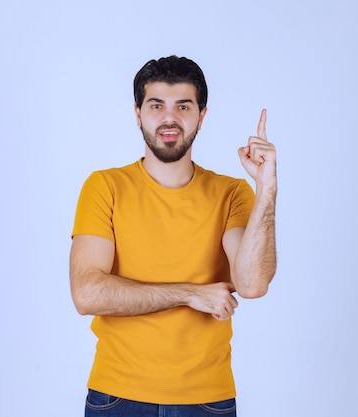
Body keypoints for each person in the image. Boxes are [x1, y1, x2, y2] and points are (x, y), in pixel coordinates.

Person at [69, 55, 277, 417]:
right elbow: (87, 293)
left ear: (202, 115)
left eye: (183, 106)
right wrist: (189, 294)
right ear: (138, 114)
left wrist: (267, 187)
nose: (170, 118)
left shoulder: (233, 193)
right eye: (156, 105)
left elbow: (253, 284)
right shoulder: (104, 187)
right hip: (117, 397)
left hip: (207, 400)